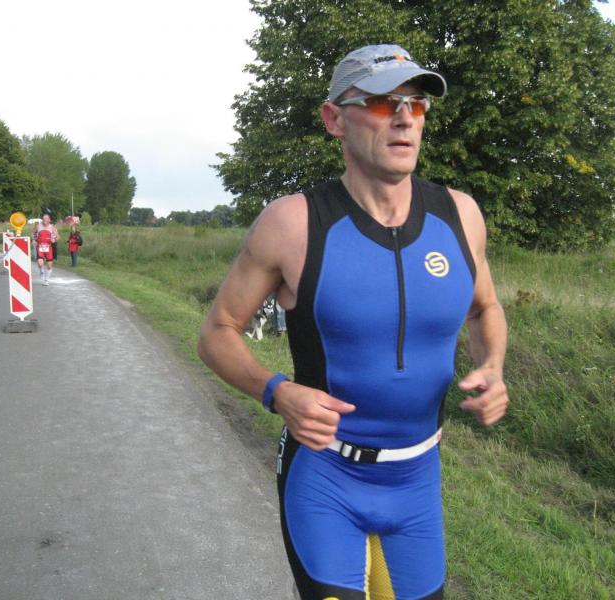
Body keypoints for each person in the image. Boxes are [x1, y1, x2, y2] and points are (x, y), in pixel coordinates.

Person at [198, 44, 509, 599]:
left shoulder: (460, 215)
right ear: (334, 119)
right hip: (326, 478)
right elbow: (217, 331)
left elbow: (485, 308)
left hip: (417, 479)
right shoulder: (294, 223)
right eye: (383, 102)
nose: (405, 118)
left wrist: (493, 366)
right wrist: (277, 391)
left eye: (416, 104)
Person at [32, 213, 60, 285]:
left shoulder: (52, 227)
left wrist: (54, 240)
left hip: (49, 248)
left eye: (46, 218)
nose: (45, 220)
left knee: (49, 266)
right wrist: (34, 240)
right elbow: (33, 233)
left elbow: (58, 237)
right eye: (43, 218)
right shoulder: (38, 226)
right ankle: (41, 271)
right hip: (40, 247)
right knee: (40, 263)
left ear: (49, 220)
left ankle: (46, 280)